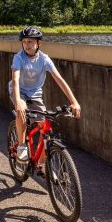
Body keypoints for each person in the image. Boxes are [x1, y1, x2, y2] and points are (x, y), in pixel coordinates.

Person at [9, 26, 81, 162]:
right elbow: (15, 79)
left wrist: (74, 101)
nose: (26, 45)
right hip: (18, 91)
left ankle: (42, 164)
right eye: (24, 41)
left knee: (44, 126)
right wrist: (18, 99)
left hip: (35, 94)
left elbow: (59, 80)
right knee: (22, 111)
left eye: (30, 41)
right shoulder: (18, 57)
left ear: (39, 43)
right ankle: (22, 146)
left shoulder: (44, 59)